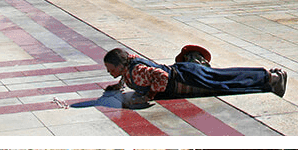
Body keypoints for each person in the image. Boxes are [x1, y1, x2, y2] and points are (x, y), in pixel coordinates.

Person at [102, 47, 287, 101]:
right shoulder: (128, 68)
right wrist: (117, 86)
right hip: (185, 72)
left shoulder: (137, 71)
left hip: (187, 77)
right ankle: (268, 81)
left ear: (120, 66)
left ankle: (270, 77)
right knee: (225, 82)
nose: (110, 72)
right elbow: (127, 77)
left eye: (111, 69)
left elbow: (161, 76)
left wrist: (150, 95)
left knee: (225, 80)